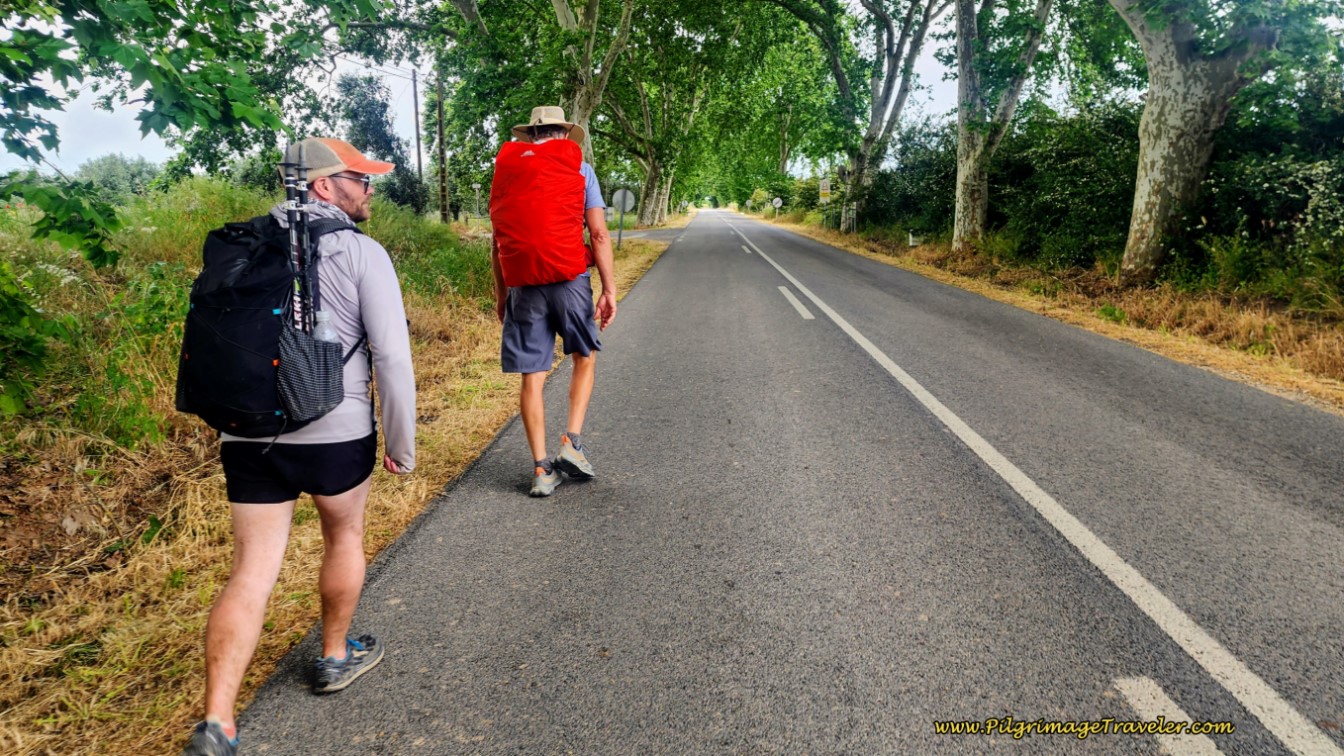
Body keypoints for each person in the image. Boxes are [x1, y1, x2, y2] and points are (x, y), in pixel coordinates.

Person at [183, 137, 416, 756]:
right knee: (344, 537)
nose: (371, 189)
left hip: (249, 434)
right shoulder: (361, 252)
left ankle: (218, 723)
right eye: (360, 179)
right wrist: (402, 441)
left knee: (251, 571)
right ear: (322, 187)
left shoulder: (242, 246)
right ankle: (335, 656)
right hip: (335, 432)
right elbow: (391, 357)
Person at [489, 106, 616, 497]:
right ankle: (571, 444)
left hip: (523, 284)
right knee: (584, 356)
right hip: (569, 277)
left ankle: (542, 470)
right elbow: (597, 234)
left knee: (534, 374)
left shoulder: (509, 173)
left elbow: (497, 242)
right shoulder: (581, 170)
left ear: (530, 136)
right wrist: (610, 289)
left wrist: (502, 294)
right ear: (564, 135)